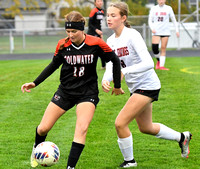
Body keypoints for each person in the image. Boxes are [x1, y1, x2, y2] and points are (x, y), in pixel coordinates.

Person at [21, 11, 124, 169]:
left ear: (82, 29)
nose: (71, 35)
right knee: (43, 128)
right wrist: (35, 83)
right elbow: (53, 66)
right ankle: (37, 149)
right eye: (68, 32)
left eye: (74, 31)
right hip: (65, 92)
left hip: (87, 93)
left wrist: (117, 85)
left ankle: (71, 167)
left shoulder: (95, 43)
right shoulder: (63, 44)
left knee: (81, 129)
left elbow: (115, 61)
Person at [102, 2, 192, 168]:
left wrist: (125, 72)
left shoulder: (132, 35)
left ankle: (130, 161)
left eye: (113, 15)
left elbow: (149, 63)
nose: (109, 18)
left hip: (148, 86)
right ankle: (182, 137)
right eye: (108, 15)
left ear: (123, 18)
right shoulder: (110, 40)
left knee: (120, 123)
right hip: (136, 88)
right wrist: (105, 79)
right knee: (146, 127)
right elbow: (111, 65)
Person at [148, 0, 180, 70]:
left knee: (163, 48)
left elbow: (174, 20)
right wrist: (152, 28)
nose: (161, 1)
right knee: (154, 48)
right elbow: (150, 20)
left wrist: (177, 31)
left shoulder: (168, 8)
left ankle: (161, 66)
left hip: (165, 31)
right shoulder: (154, 8)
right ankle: (159, 61)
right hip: (156, 31)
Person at [87, 0, 106, 69]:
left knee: (101, 48)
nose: (100, 2)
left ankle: (103, 65)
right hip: (92, 33)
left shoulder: (102, 11)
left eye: (101, 1)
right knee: (91, 50)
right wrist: (96, 30)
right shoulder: (93, 11)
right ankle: (88, 65)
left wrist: (100, 33)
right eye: (98, 1)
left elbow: (99, 24)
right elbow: (90, 24)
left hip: (98, 33)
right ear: (95, 3)